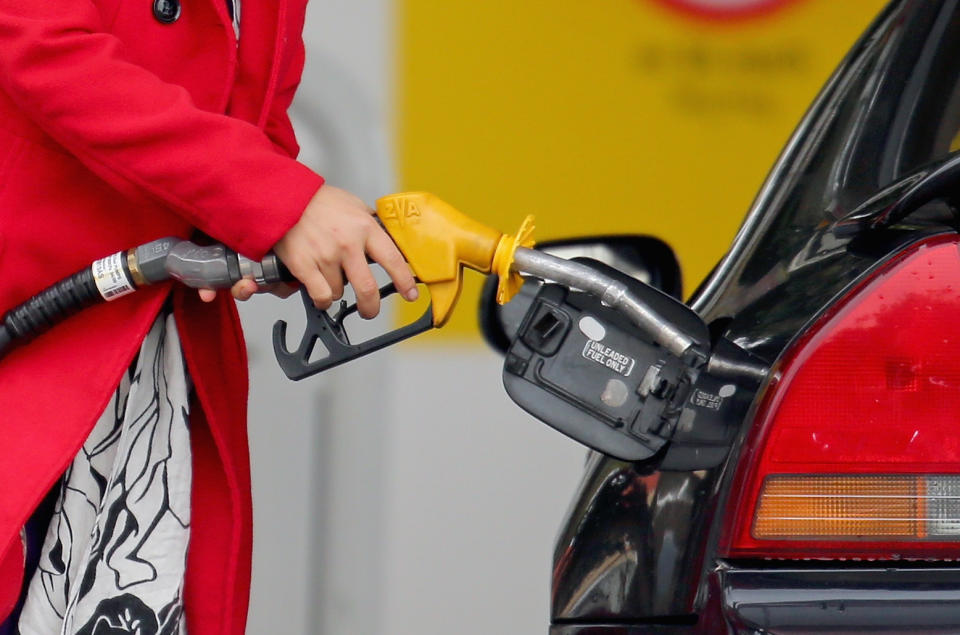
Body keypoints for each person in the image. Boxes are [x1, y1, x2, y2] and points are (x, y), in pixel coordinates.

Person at [0, 0, 416, 632]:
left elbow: (261, 120)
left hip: (147, 378)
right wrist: (276, 201)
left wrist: (274, 225)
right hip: (33, 333)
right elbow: (35, 39)